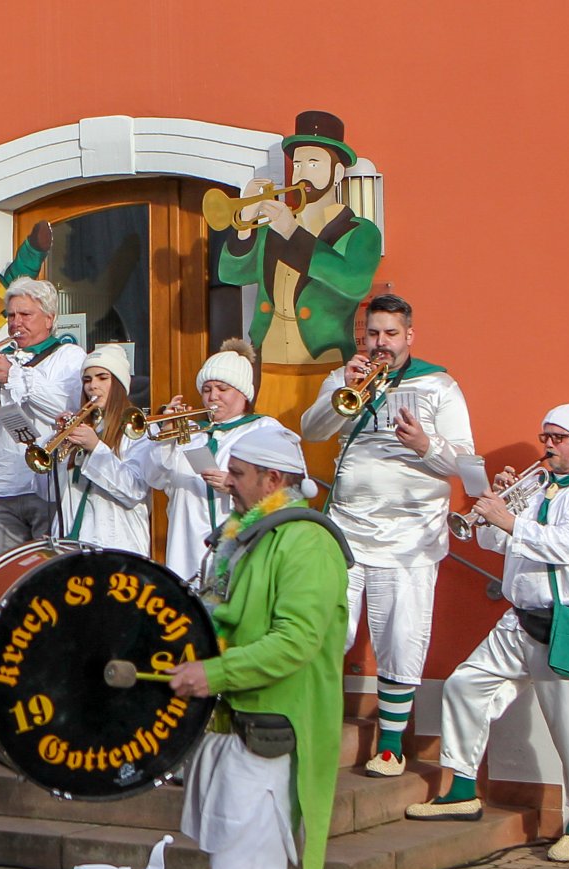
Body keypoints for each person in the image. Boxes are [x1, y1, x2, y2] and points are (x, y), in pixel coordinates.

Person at [166, 426, 349, 869]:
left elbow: (296, 641)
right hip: (237, 723)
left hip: (270, 731)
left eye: (239, 473)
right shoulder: (248, 534)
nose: (229, 483)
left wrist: (212, 673)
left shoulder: (306, 542)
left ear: (274, 479)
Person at [407, 405, 569, 862]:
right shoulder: (541, 485)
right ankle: (462, 790)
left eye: (559, 437)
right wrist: (497, 509)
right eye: (545, 437)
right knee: (465, 685)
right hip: (519, 618)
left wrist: (510, 518)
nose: (549, 446)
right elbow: (495, 543)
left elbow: (566, 546)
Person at [301, 293, 474, 777]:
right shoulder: (345, 376)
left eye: (391, 334)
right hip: (348, 528)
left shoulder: (439, 385)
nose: (381, 343)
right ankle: (313, 723)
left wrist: (425, 444)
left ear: (409, 336)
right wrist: (344, 391)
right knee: (326, 627)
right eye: (373, 333)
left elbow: (464, 461)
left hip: (410, 535)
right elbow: (311, 431)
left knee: (402, 634)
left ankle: (392, 745)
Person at [216, 110, 382, 372]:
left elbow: (353, 282)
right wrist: (245, 221)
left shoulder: (360, 232)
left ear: (338, 172)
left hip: (325, 365)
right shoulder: (273, 228)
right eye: (297, 164)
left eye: (313, 163)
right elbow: (230, 274)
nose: (302, 173)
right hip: (267, 367)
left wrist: (293, 233)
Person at [0, 277, 87, 557]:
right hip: (3, 482)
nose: (16, 323)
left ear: (49, 319)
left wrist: (13, 376)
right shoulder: (5, 358)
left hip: (47, 484)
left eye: (25, 315)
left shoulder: (69, 356)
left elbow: (66, 408)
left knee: (46, 571)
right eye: (11, 315)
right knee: (9, 574)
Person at [140, 341, 289, 582]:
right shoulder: (189, 433)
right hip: (186, 552)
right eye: (207, 389)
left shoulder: (264, 429)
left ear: (243, 394)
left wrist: (235, 485)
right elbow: (153, 478)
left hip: (238, 546)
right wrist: (166, 437)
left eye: (222, 388)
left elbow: (283, 489)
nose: (212, 397)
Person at [52, 343, 152, 555]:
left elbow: (134, 490)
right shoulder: (84, 425)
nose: (92, 386)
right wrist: (60, 448)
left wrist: (95, 448)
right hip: (71, 541)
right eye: (87, 380)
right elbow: (53, 494)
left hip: (116, 542)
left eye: (102, 378)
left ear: (119, 383)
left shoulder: (137, 429)